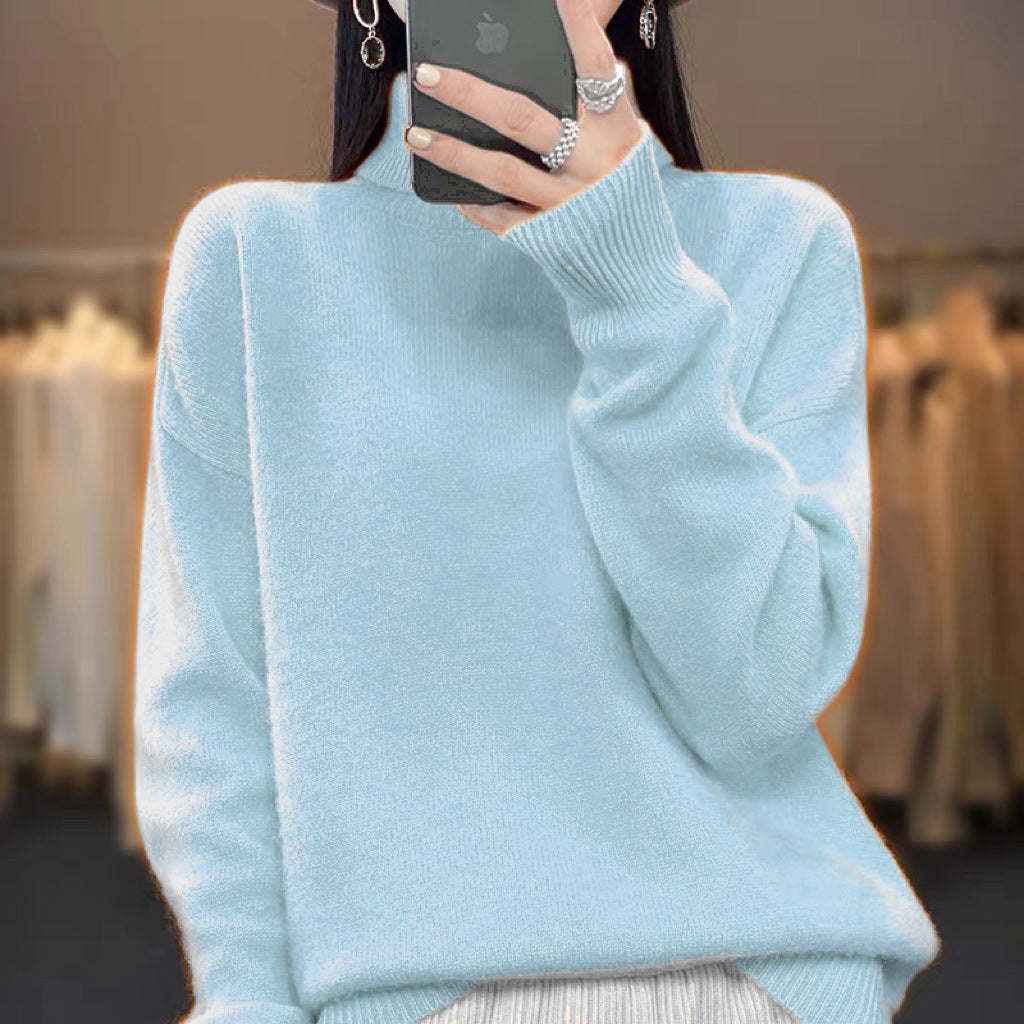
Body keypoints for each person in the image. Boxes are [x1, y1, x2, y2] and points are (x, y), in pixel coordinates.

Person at [131, 1, 942, 1023]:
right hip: (412, 995)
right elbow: (209, 700)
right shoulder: (254, 255)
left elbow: (757, 694)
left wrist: (635, 282)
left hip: (758, 976)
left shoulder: (781, 239)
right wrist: (245, 1001)